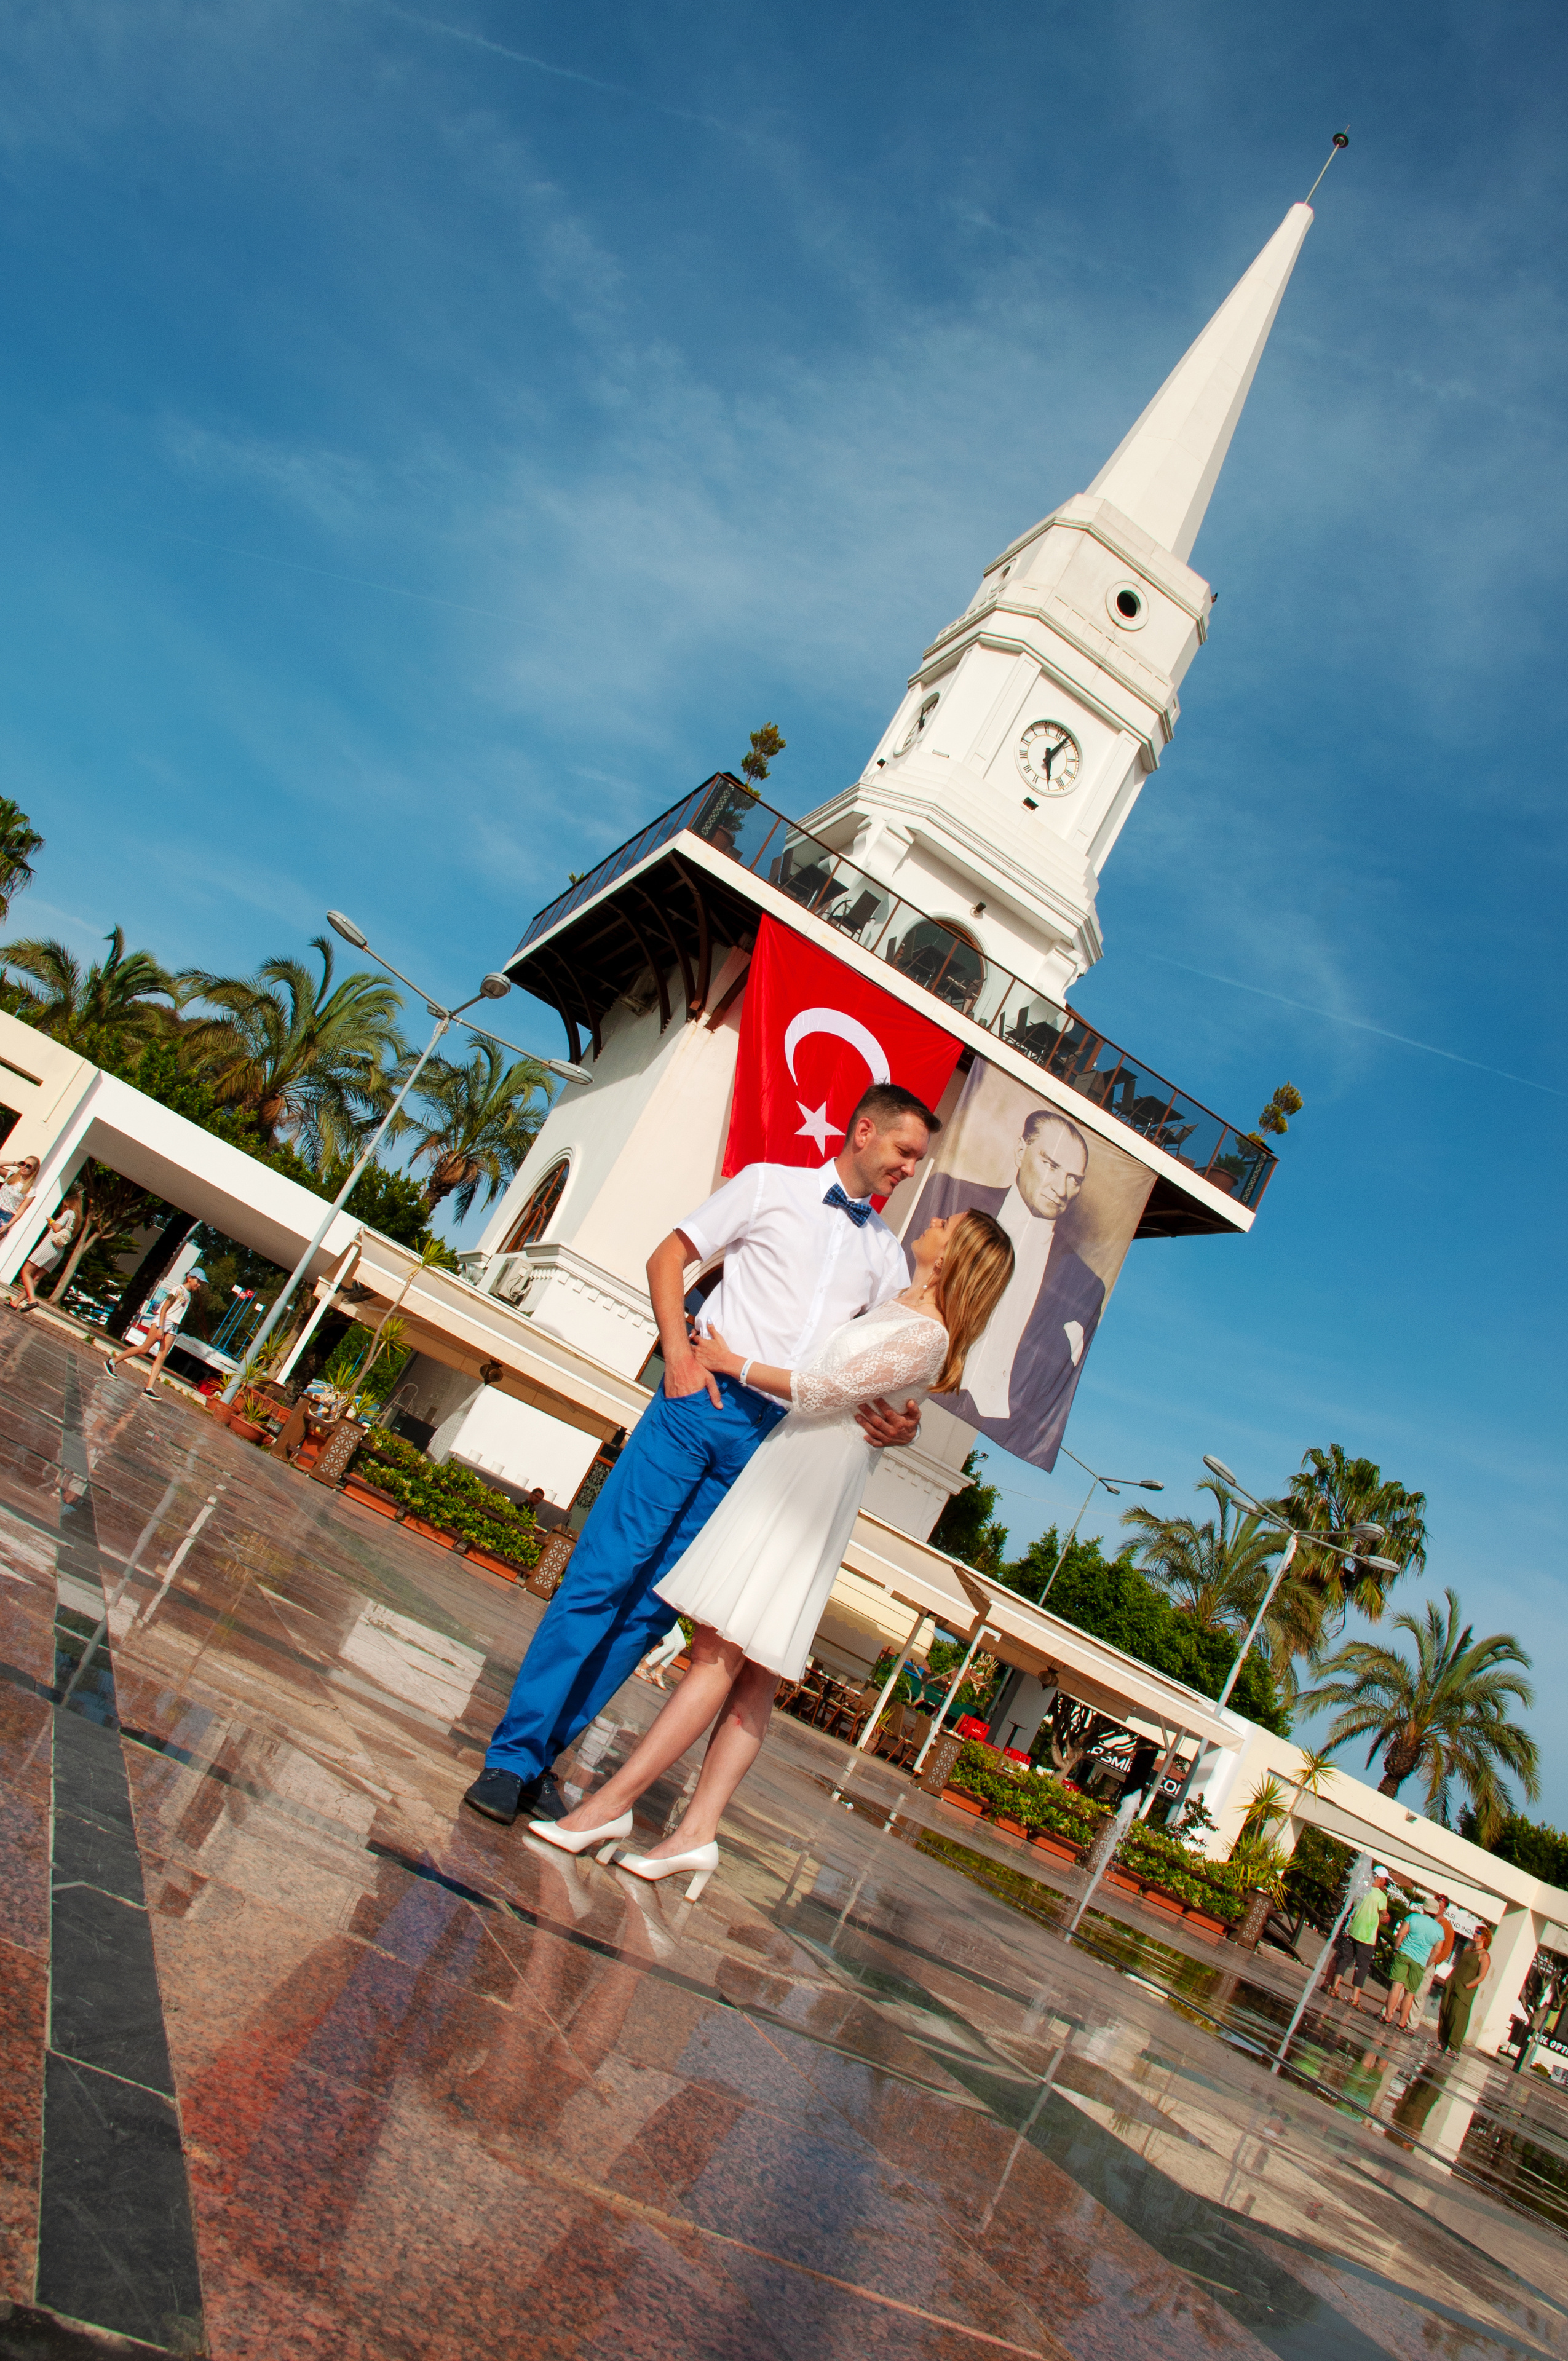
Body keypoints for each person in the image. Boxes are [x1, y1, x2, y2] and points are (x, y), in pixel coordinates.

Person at [462, 1084, 941, 1827]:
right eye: (905, 1152)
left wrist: (903, 1427)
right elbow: (669, 1257)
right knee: (603, 1576)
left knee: (656, 1610)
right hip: (697, 1408)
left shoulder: (884, 1259)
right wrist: (678, 1358)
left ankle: (547, 1760)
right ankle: (510, 1759)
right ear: (864, 1131)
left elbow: (870, 1369)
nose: (910, 1169)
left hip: (773, 1447)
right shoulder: (769, 1186)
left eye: (918, 1160)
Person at [532, 1206, 1015, 1894]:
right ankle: (696, 1832)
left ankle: (609, 1808)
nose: (933, 1217)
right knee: (751, 1667)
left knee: (718, 1652)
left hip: (807, 1485)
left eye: (948, 1220)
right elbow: (854, 1382)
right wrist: (905, 1418)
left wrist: (733, 1363)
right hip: (797, 1465)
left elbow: (825, 1389)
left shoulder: (927, 1334)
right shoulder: (899, 1307)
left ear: (955, 1254)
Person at [911, 1108, 1103, 1466]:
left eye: (1075, 1179)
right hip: (911, 1377)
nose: (1061, 1190)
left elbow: (1053, 1373)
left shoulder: (1085, 1284)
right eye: (1051, 1165)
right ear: (1020, 1152)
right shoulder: (950, 1200)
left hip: (997, 1420)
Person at [103, 1271, 204, 1396]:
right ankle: (112, 1362)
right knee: (144, 1349)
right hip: (163, 1322)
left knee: (162, 1356)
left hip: (174, 1326)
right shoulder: (177, 1290)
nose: (199, 1285)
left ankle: (149, 1388)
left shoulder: (188, 1295)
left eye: (201, 1283)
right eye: (198, 1281)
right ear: (189, 1278)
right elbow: (164, 1309)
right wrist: (161, 1327)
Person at [1381, 1894, 1447, 2030]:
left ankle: (1388, 2017)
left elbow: (1401, 1934)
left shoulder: (1413, 1918)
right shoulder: (1439, 1930)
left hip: (1404, 1954)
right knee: (1410, 1992)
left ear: (1424, 1908)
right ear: (1435, 1912)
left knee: (1396, 1986)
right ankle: (1402, 2023)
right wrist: (1428, 1963)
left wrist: (1396, 1948)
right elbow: (1438, 1951)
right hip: (1421, 1961)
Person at [1331, 1867, 1391, 2011]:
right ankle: (1354, 1998)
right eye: (1386, 1882)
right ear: (1382, 1879)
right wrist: (1386, 1917)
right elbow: (1384, 1914)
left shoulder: (1362, 1890)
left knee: (1345, 1959)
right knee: (1362, 1967)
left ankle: (1334, 1987)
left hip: (1353, 1931)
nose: (1386, 1885)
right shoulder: (1381, 1897)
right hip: (1367, 1936)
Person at [17, 1191, 83, 1312]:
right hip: (59, 1252)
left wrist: (51, 1221)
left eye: (66, 1206)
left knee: (26, 1272)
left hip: (48, 1247)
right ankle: (15, 1303)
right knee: (36, 1279)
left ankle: (32, 1300)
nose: (65, 1208)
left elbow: (57, 1228)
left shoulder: (68, 1213)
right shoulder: (77, 1221)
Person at [1438, 1925, 1492, 2054]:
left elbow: (1481, 1976)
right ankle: (1442, 2041)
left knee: (1457, 2016)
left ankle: (1454, 2047)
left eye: (1478, 1933)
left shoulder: (1484, 1956)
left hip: (1464, 1989)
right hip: (1453, 1982)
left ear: (1484, 1938)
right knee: (1445, 2011)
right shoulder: (1467, 1950)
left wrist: (1467, 1986)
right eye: (1475, 1932)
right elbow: (1459, 1966)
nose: (1475, 1934)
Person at [0, 1156, 40, 1236]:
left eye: (28, 1166)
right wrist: (14, 1163)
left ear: (33, 1170)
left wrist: (8, 1226)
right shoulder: (10, 1176)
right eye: (24, 1164)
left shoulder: (31, 1190)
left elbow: (21, 1211)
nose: (25, 1167)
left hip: (6, 1216)